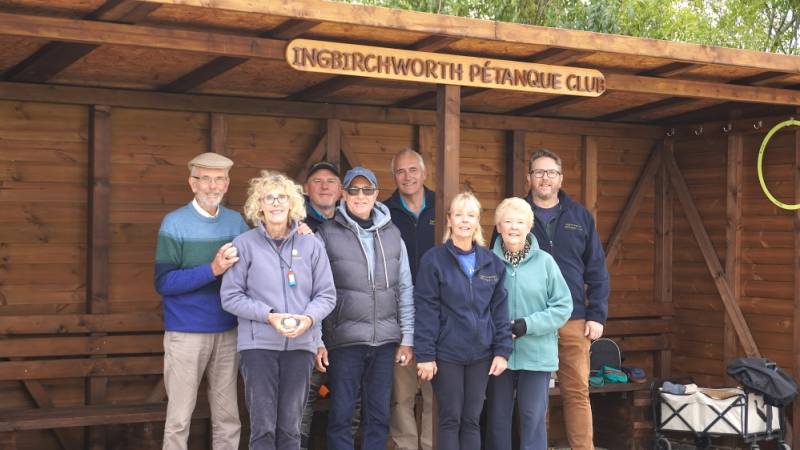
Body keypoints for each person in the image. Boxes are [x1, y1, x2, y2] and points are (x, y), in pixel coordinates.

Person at [220, 170, 337, 450]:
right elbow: (230, 296)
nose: (275, 203)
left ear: (292, 203)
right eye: (268, 198)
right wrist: (268, 315)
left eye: (282, 197)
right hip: (258, 347)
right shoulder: (244, 245)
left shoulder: (311, 245)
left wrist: (308, 319)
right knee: (262, 428)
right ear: (258, 205)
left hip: (300, 347)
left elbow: (327, 295)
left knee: (290, 428)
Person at [314, 166, 415, 450]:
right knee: (342, 416)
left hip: (384, 341)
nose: (361, 196)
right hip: (344, 340)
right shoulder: (326, 234)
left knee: (379, 415)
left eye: (367, 190)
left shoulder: (394, 234)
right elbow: (316, 291)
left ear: (376, 194)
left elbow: (405, 288)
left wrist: (407, 337)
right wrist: (318, 339)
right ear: (344, 194)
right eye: (354, 190)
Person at [155, 152, 248, 450]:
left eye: (219, 179)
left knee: (228, 417)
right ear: (192, 184)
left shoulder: (237, 223)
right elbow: (164, 282)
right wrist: (213, 269)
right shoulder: (174, 223)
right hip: (186, 333)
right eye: (205, 179)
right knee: (179, 418)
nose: (212, 186)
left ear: (227, 183)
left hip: (228, 331)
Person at [525, 149, 610, 450]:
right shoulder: (516, 214)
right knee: (535, 398)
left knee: (577, 392)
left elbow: (597, 268)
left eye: (551, 172)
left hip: (573, 319)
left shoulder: (580, 216)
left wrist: (597, 315)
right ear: (529, 177)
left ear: (560, 178)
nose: (544, 178)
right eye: (539, 172)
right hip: (532, 323)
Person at [414, 191, 512, 450]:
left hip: (481, 354)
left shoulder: (492, 263)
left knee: (471, 420)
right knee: (450, 419)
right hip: (447, 354)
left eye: (470, 215)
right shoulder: (434, 260)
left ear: (478, 220)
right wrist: (425, 354)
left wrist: (502, 351)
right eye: (459, 214)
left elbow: (500, 311)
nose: (464, 220)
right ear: (449, 220)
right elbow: (425, 309)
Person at [485, 197, 573, 450]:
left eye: (520, 222)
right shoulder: (486, 263)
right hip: (498, 355)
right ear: (498, 227)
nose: (513, 227)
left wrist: (527, 325)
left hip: (537, 355)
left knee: (533, 418)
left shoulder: (546, 262)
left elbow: (563, 306)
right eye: (508, 221)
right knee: (498, 420)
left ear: (529, 226)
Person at [297, 160, 360, 450]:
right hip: (309, 329)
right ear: (306, 190)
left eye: (331, 181)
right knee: (302, 407)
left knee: (351, 406)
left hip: (347, 331)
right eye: (317, 180)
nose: (324, 186)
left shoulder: (355, 224)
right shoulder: (293, 225)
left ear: (341, 191)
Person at [384, 148, 436, 450]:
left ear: (424, 173)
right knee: (401, 395)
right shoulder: (384, 212)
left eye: (413, 170)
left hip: (435, 316)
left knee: (433, 394)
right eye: (401, 172)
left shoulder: (442, 206)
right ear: (394, 176)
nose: (408, 177)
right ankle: (405, 446)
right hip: (397, 316)